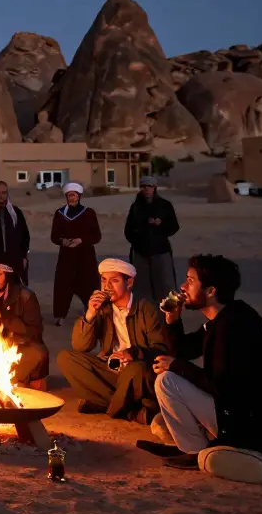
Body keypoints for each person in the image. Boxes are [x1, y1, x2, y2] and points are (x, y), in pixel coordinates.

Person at [138, 254, 262, 481]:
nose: (183, 287)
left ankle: (196, 452)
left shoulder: (232, 329)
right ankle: (197, 448)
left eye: (190, 280)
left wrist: (176, 366)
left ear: (211, 291)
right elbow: (183, 350)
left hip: (256, 427)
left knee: (167, 380)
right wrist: (172, 319)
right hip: (241, 413)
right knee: (170, 381)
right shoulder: (223, 319)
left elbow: (221, 386)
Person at [56, 258, 168, 424]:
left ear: (129, 282)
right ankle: (131, 410)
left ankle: (105, 404)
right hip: (112, 369)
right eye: (104, 280)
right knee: (66, 358)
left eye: (114, 281)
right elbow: (81, 346)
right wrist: (90, 314)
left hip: (138, 371)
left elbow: (161, 349)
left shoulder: (147, 308)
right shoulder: (103, 307)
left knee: (136, 369)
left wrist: (132, 354)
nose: (107, 287)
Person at [124, 176, 180, 307]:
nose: (146, 189)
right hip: (140, 253)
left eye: (149, 187)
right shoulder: (136, 207)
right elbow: (128, 231)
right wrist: (138, 238)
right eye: (143, 187)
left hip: (160, 252)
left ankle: (169, 316)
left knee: (165, 286)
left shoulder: (165, 205)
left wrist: (161, 224)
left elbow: (174, 227)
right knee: (141, 288)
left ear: (154, 188)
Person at [51, 182, 101, 326]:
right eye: (69, 195)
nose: (71, 198)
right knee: (63, 285)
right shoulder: (60, 214)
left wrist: (82, 240)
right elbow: (54, 236)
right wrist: (63, 241)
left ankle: (92, 312)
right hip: (66, 256)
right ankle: (60, 315)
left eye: (74, 195)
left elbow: (96, 236)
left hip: (85, 256)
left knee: (89, 284)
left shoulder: (89, 213)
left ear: (79, 196)